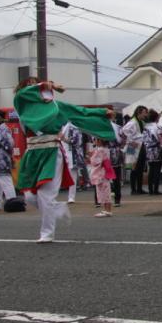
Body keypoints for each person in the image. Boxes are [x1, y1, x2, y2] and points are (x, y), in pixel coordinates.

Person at [13, 79, 115, 243]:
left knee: (45, 195)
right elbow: (23, 94)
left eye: (36, 85)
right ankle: (58, 209)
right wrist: (49, 85)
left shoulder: (56, 106)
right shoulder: (22, 104)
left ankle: (47, 233)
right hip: (32, 153)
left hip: (51, 151)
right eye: (30, 86)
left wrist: (102, 113)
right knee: (30, 197)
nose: (35, 89)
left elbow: (79, 112)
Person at [121, 107, 148, 196]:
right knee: (134, 168)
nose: (145, 114)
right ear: (139, 113)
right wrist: (130, 141)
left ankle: (139, 188)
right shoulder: (132, 122)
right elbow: (123, 131)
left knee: (140, 168)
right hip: (133, 147)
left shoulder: (142, 123)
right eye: (144, 112)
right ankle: (133, 189)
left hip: (140, 146)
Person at [89, 138, 116, 217]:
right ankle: (106, 209)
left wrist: (91, 156)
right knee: (105, 190)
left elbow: (95, 161)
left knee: (104, 191)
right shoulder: (106, 149)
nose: (95, 142)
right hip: (104, 171)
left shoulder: (100, 150)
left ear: (100, 141)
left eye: (96, 140)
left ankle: (107, 210)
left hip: (101, 172)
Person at [143, 110, 162, 195]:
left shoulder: (145, 127)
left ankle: (150, 189)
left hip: (148, 150)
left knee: (151, 169)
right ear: (157, 118)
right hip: (156, 150)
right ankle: (155, 189)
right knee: (157, 170)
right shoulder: (158, 127)